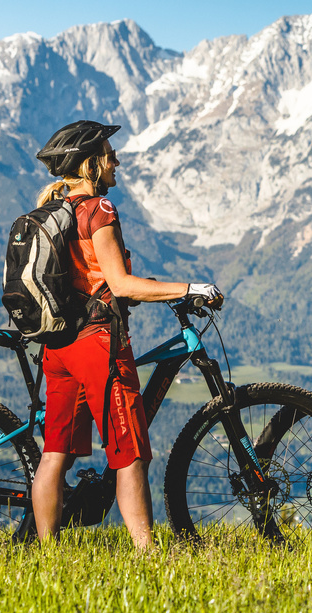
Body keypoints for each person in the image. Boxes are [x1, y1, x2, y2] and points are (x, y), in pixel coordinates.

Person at [31, 120, 221, 548]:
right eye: (108, 154)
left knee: (54, 453)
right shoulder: (99, 210)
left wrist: (145, 289)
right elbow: (118, 284)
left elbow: (94, 281)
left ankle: (47, 555)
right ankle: (147, 553)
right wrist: (190, 287)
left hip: (58, 347)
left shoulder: (55, 212)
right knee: (129, 451)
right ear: (89, 165)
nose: (116, 160)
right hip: (98, 344)